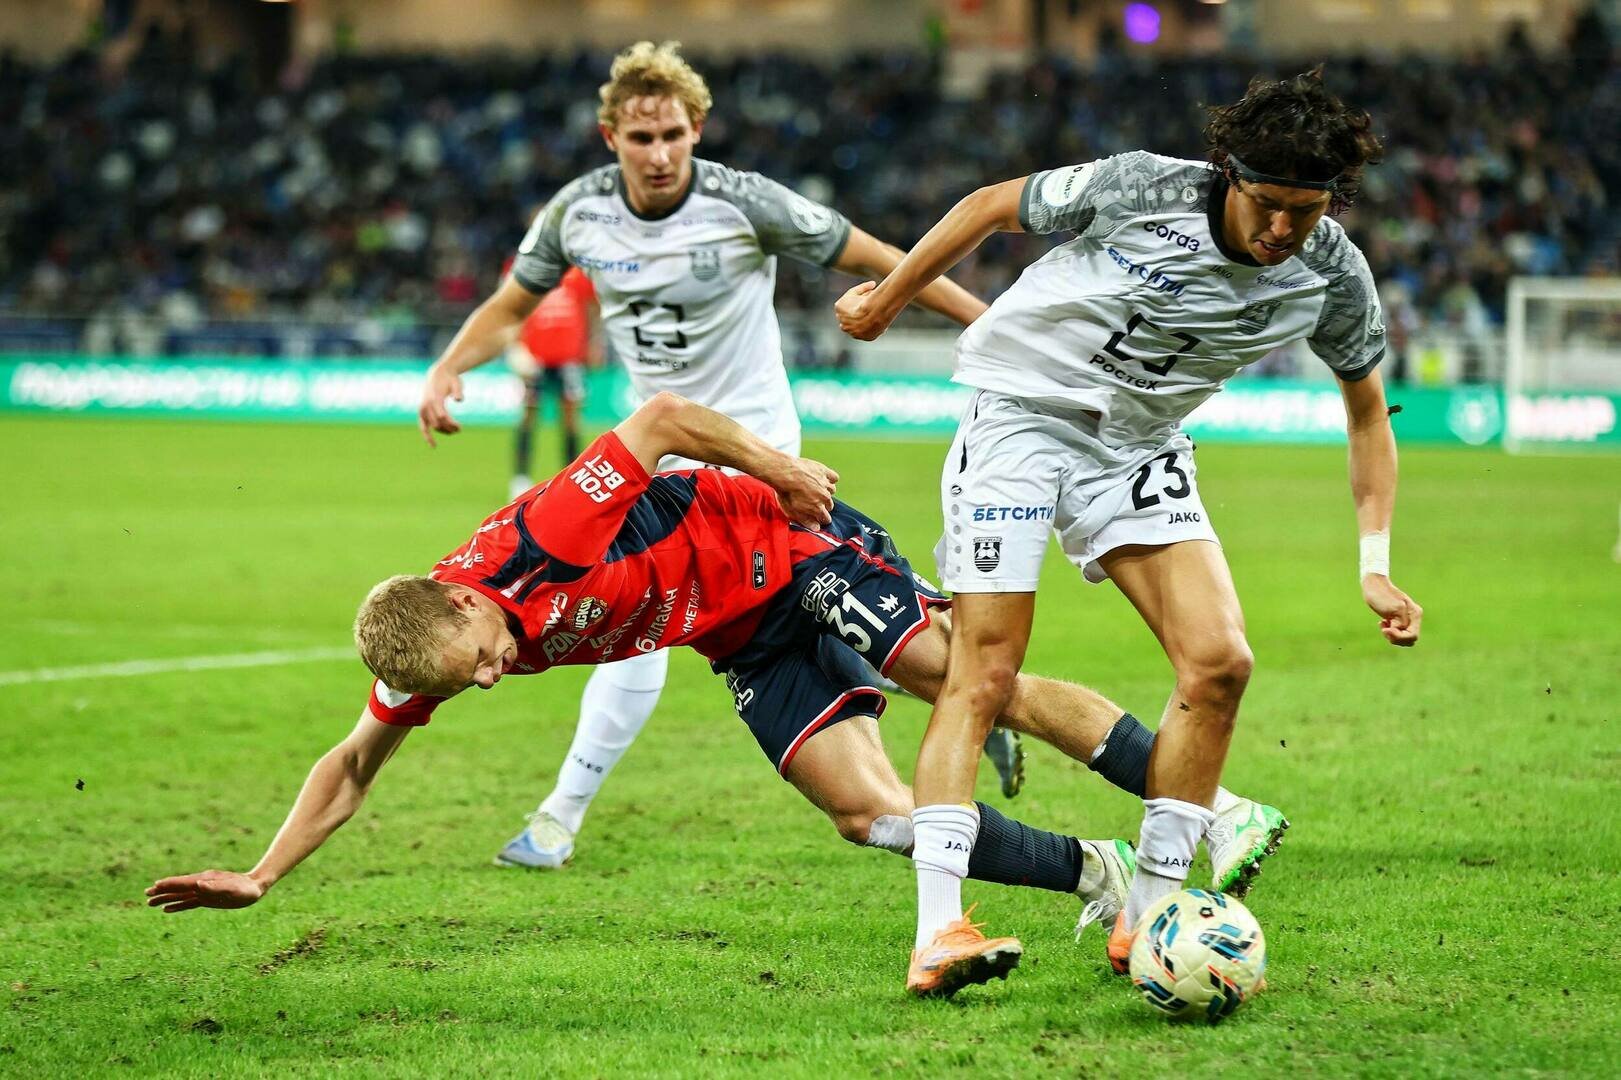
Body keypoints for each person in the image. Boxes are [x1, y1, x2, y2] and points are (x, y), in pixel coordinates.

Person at [147, 392, 1282, 999]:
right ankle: (1101, 873)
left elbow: (660, 421)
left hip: (790, 548)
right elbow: (351, 764)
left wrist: (778, 472)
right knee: (865, 815)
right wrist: (262, 873)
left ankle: (1209, 805)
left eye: (481, 656)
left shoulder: (544, 537)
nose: (492, 676)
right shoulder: (433, 644)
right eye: (472, 683)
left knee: (969, 682)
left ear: (460, 599)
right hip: (737, 634)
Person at [835, 69, 1421, 992]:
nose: (1280, 229)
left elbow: (1366, 414)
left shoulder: (1333, 274)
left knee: (1219, 663)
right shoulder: (1143, 185)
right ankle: (938, 929)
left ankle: (1148, 913)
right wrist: (887, 298)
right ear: (1229, 175)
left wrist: (1374, 562)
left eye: (1303, 212)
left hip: (1138, 447)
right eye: (1266, 204)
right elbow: (991, 206)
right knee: (984, 668)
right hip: (1023, 416)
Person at [415, 42, 1020, 872]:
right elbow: (509, 305)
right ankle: (559, 818)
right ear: (610, 137)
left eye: (672, 134)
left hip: (755, 459)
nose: (658, 153)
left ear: (696, 128)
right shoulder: (576, 214)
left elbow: (881, 258)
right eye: (641, 138)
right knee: (639, 629)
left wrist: (990, 327)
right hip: (656, 457)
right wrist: (449, 365)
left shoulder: (744, 201)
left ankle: (961, 699)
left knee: (799, 611)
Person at [506, 264, 598, 500]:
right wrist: (516, 346)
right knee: (528, 415)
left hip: (569, 358)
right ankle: (521, 479)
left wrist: (593, 342)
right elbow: (514, 308)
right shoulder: (528, 267)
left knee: (571, 420)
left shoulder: (578, 274)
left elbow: (591, 309)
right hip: (534, 358)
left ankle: (573, 480)